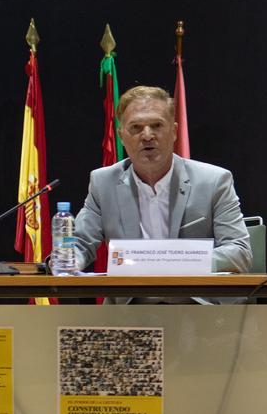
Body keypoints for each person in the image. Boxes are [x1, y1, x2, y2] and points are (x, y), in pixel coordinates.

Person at [75, 86, 251, 273]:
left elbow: (239, 252)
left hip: (195, 299)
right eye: (136, 127)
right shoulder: (103, 183)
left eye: (157, 125)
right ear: (121, 136)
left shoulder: (214, 181)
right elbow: (78, 243)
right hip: (129, 300)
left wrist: (171, 262)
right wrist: (67, 261)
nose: (147, 136)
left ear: (174, 131)